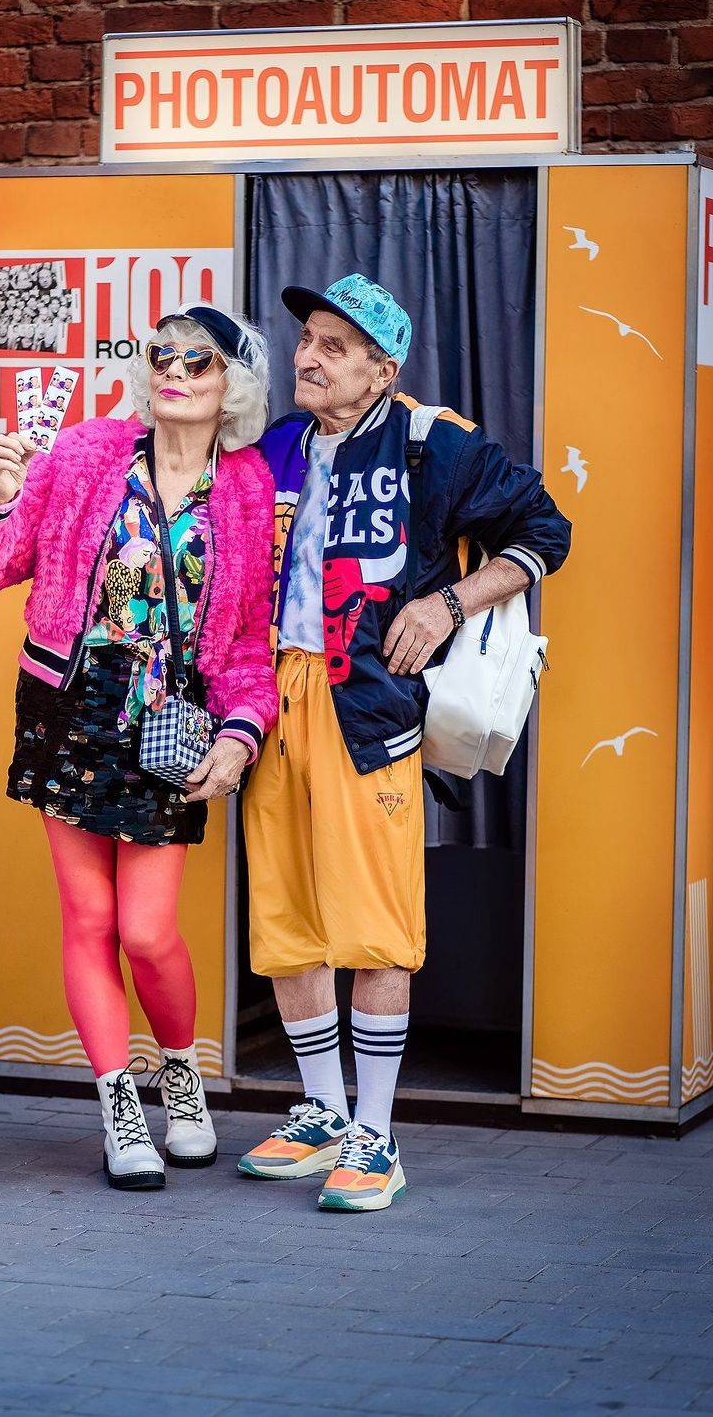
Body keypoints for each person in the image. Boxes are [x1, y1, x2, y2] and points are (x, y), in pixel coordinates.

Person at [240, 274, 571, 1212]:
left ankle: (377, 1136)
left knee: (376, 923)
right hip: (274, 699)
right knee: (288, 920)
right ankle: (321, 1113)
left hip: (368, 705)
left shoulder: (434, 442)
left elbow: (545, 530)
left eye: (334, 346)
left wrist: (448, 602)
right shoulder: (276, 446)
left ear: (382, 369)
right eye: (307, 338)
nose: (309, 357)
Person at [0, 306, 277, 1192]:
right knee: (87, 919)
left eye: (198, 361)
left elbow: (247, 638)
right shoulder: (90, 453)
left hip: (169, 722)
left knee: (148, 931)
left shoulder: (247, 488)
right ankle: (119, 1104)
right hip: (72, 708)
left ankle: (180, 1075)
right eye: (162, 355)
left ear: (233, 386)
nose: (175, 372)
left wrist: (242, 732)